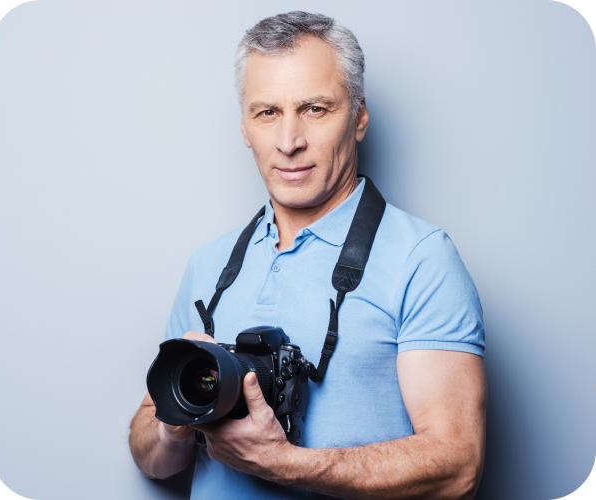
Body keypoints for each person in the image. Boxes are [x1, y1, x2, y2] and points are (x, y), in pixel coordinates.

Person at [129, 11, 487, 500]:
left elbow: (457, 468)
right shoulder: (210, 264)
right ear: (244, 127)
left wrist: (283, 463)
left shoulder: (421, 259)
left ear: (359, 116)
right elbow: (151, 458)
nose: (288, 142)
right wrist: (176, 419)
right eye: (267, 113)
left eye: (315, 109)